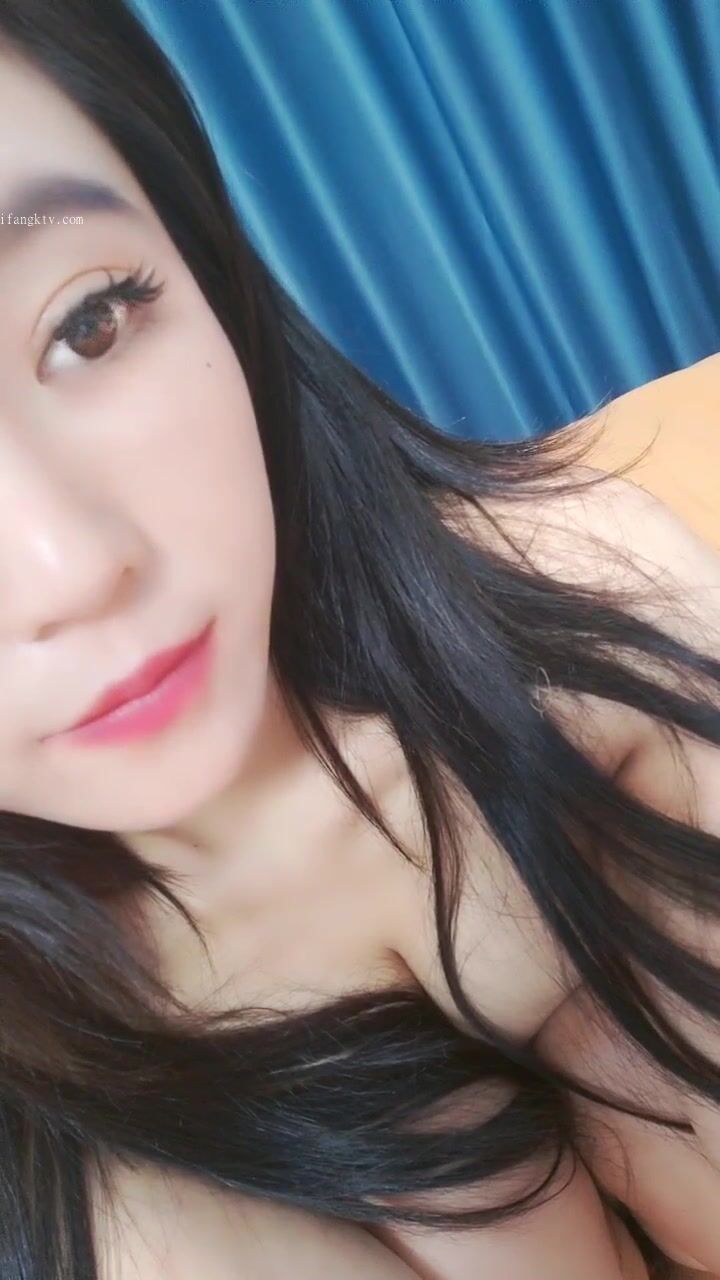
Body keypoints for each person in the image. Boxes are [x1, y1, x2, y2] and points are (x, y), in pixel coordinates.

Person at [0, 2, 718, 1277]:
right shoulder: (92, 1186)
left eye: (88, 322)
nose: (71, 566)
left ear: (205, 269)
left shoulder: (587, 605)